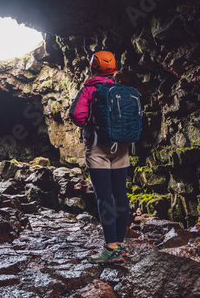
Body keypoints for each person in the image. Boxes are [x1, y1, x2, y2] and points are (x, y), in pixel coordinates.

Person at [71, 50, 130, 263]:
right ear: (114, 69)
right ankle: (121, 245)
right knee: (120, 194)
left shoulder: (89, 90)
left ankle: (110, 249)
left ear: (92, 67)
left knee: (104, 197)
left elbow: (78, 117)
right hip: (121, 147)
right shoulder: (123, 90)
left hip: (97, 148)